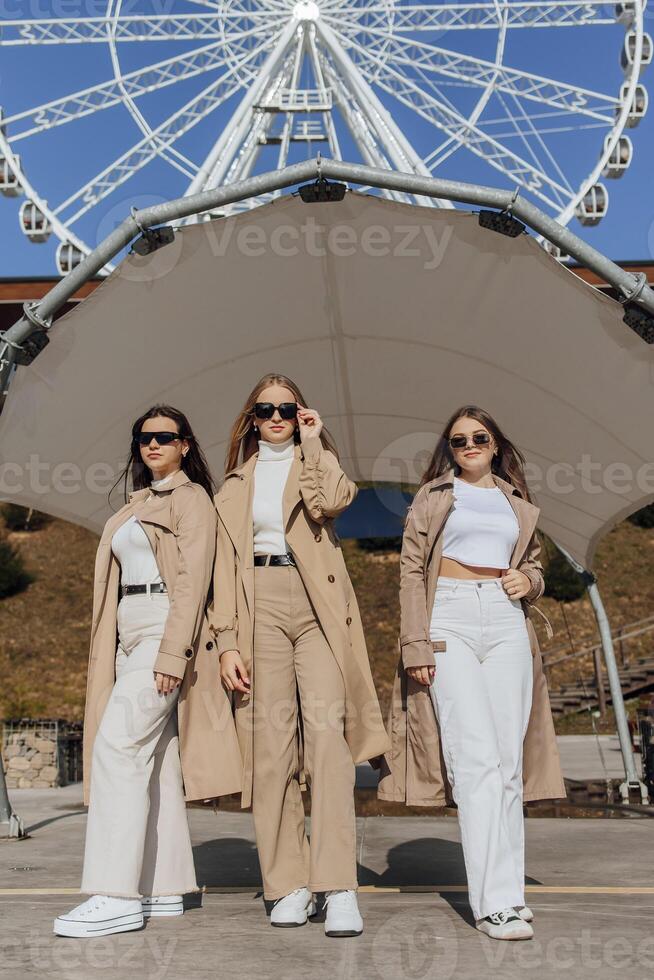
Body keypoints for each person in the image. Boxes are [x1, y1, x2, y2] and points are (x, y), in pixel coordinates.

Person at [209, 373, 390, 937]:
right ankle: (286, 883)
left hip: (314, 602)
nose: (277, 416)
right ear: (252, 418)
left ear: (300, 412)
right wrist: (227, 640)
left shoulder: (318, 460)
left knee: (328, 744)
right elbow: (219, 568)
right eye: (266, 409)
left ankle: (336, 887)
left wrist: (315, 442)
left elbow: (329, 502)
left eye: (287, 407)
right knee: (270, 750)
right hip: (255, 604)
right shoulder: (234, 483)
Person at [376, 405, 567, 940]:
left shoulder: (517, 501)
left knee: (506, 764)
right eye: (459, 441)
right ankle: (494, 905)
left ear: (496, 444)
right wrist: (415, 642)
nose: (470, 446)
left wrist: (529, 583)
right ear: (450, 449)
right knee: (476, 758)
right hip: (449, 618)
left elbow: (533, 564)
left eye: (479, 438)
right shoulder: (436, 496)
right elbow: (411, 570)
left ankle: (508, 893)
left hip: (506, 623)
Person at [54, 405, 242, 938]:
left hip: (163, 627)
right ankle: (163, 887)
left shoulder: (194, 500)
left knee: (118, 749)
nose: (153, 445)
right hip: (128, 632)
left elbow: (193, 583)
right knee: (154, 761)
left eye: (165, 437)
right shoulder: (136, 504)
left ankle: (114, 894)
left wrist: (171, 652)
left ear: (185, 445)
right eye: (144, 438)